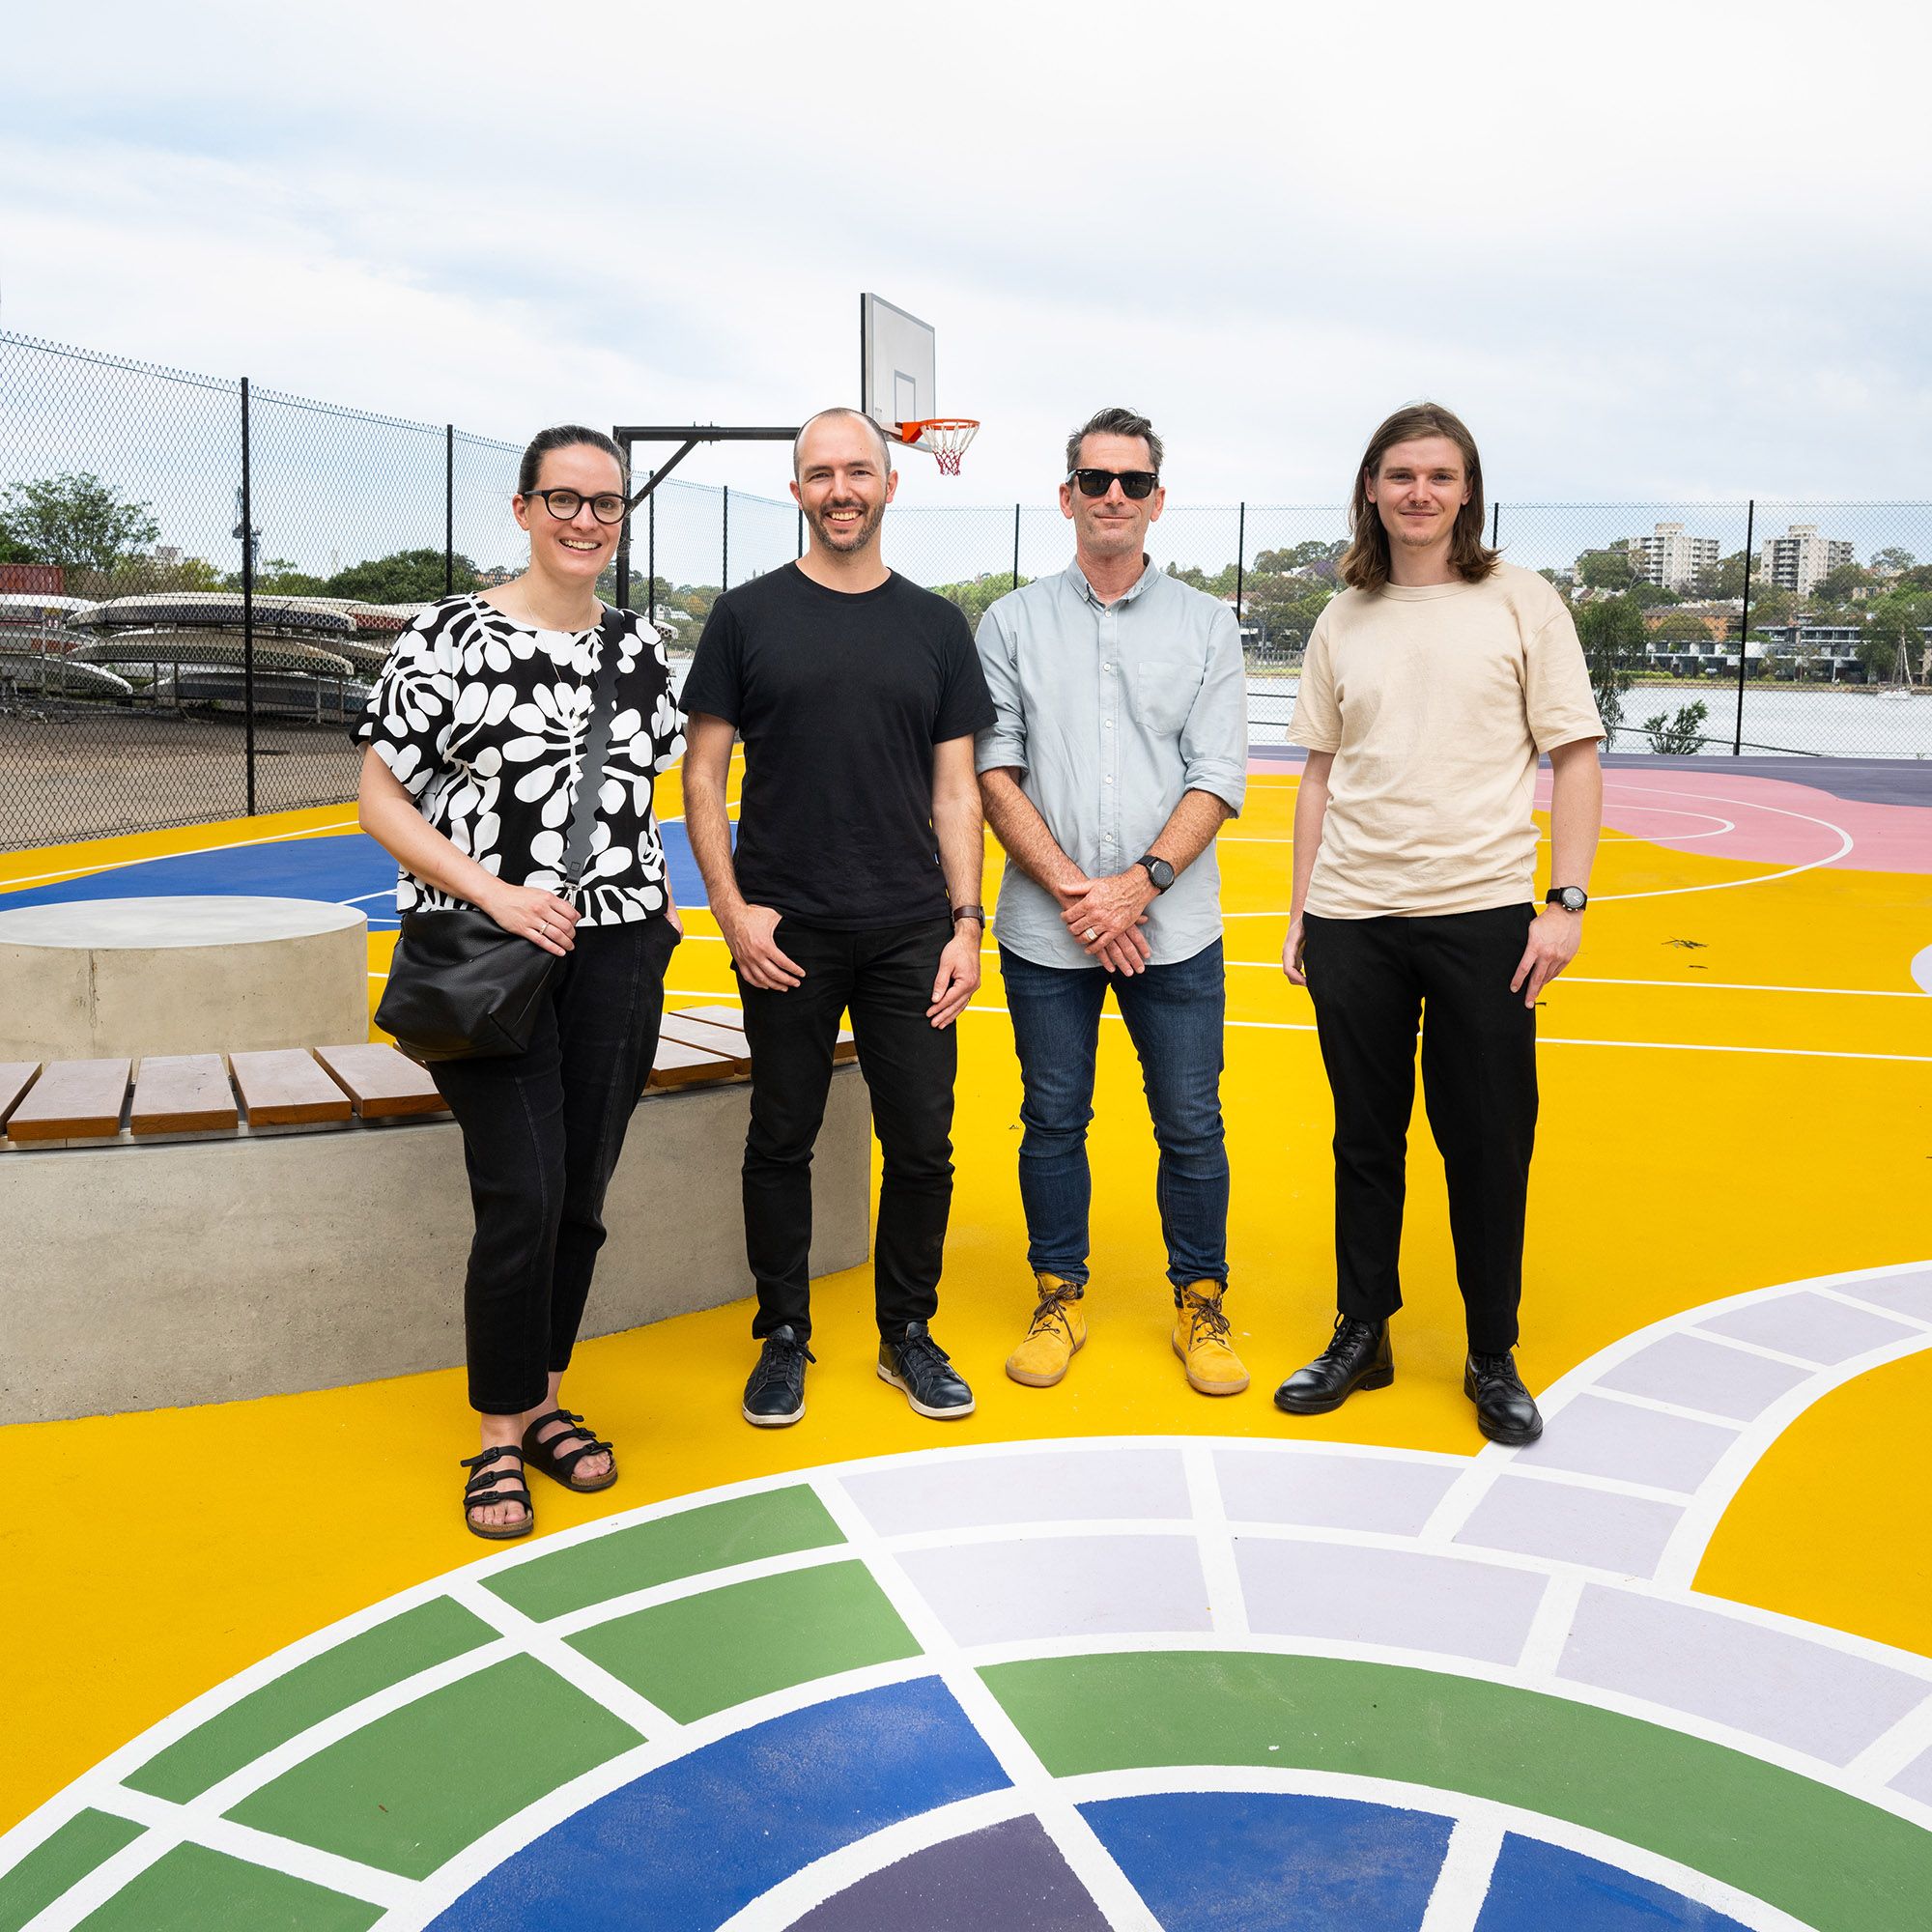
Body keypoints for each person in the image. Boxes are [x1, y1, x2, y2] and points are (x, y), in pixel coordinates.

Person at [355, 425, 686, 1537]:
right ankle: (499, 1430)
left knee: (581, 1192)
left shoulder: (642, 648)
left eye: (605, 503)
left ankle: (544, 1394)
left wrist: (650, 904)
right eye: (564, 499)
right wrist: (495, 893)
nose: (585, 520)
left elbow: (640, 798)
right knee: (523, 1193)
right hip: (487, 952)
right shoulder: (448, 635)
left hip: (620, 947)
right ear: (522, 507)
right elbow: (382, 800)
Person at [1273, 402, 1604, 1445]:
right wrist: (1299, 912)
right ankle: (1359, 1331)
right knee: (1363, 1140)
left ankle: (1489, 1351)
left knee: (1486, 1142)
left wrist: (1564, 901)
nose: (1419, 492)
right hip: (1353, 915)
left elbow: (1576, 757)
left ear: (1466, 492)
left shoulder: (1520, 602)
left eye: (1439, 475)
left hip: (1483, 916)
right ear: (1370, 487)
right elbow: (1318, 775)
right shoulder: (1343, 615)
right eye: (1399, 473)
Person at [681, 406, 995, 1428]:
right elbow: (701, 776)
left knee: (922, 1144)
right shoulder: (744, 616)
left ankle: (906, 1332)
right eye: (820, 474)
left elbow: (958, 791)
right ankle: (782, 1334)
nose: (840, 489)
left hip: (911, 928)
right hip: (787, 930)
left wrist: (964, 923)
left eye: (857, 471)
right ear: (797, 489)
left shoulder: (937, 626)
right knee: (781, 1136)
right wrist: (732, 913)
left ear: (889, 484)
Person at [975, 407, 1251, 1397]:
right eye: (1094, 480)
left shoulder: (1205, 623)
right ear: (1066, 496)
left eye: (1131, 482)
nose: (1111, 498)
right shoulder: (1008, 622)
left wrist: (1136, 889)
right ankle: (1058, 1294)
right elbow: (992, 766)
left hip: (1170, 926)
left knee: (1190, 1120)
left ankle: (1200, 1302)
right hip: (1045, 928)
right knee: (1051, 1116)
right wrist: (1074, 893)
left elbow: (1216, 774)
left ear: (1156, 500)